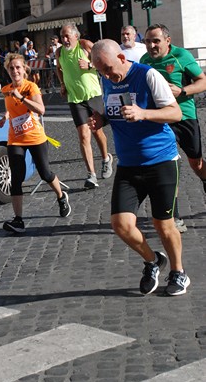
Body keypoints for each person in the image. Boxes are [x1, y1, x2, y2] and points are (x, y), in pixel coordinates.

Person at [90, 39, 190, 296]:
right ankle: (153, 261)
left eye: (109, 69)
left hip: (161, 161)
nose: (107, 75)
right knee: (120, 224)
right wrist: (101, 119)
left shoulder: (148, 75)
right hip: (129, 164)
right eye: (101, 71)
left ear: (122, 58)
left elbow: (175, 113)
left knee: (163, 223)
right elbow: (116, 112)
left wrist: (143, 113)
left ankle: (179, 272)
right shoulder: (106, 80)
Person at [141, 23, 206, 233]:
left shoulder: (181, 56)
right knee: (168, 164)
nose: (151, 45)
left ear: (167, 41)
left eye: (156, 41)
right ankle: (174, 216)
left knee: (195, 163)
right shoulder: (144, 61)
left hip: (185, 115)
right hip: (161, 118)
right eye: (148, 41)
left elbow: (202, 81)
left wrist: (183, 91)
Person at [0, 53, 71, 233]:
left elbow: (41, 110)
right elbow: (12, 108)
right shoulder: (5, 89)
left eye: (18, 67)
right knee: (16, 179)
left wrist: (21, 97)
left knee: (45, 173)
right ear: (7, 71)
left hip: (35, 137)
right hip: (15, 139)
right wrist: (5, 116)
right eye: (11, 68)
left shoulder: (31, 87)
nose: (15, 71)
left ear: (24, 70)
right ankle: (18, 220)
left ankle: (61, 197)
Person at [56, 22, 113, 189]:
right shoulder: (59, 52)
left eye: (67, 36)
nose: (64, 39)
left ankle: (106, 158)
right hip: (75, 99)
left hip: (93, 95)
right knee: (83, 135)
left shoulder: (86, 45)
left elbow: (104, 62)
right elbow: (59, 69)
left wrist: (90, 65)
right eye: (62, 36)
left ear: (76, 35)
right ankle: (91, 175)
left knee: (97, 132)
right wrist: (62, 84)